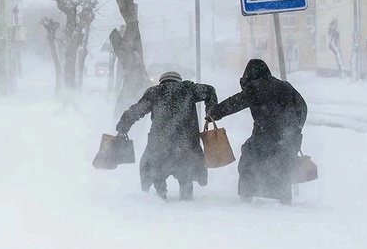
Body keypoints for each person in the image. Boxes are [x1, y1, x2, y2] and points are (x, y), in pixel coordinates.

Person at [207, 59, 307, 205]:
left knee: (249, 160)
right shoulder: (285, 86)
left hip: (265, 135)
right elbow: (302, 107)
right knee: (282, 166)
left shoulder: (255, 87)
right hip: (287, 138)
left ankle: (246, 198)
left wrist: (214, 113)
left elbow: (235, 103)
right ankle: (285, 201)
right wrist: (295, 128)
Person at [116, 70, 218, 201]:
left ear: (161, 81)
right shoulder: (189, 89)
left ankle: (161, 198)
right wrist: (211, 112)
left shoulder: (154, 92)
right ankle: (186, 201)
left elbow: (137, 110)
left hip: (160, 142)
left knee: (157, 171)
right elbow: (210, 90)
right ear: (178, 80)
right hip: (185, 142)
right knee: (185, 175)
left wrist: (123, 126)